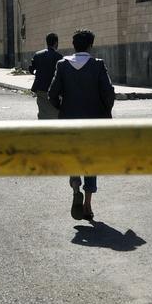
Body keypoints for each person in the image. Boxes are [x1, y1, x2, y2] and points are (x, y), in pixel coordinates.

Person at [48, 29, 115, 221]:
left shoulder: (62, 65)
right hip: (93, 122)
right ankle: (87, 205)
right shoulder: (98, 65)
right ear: (90, 45)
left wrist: (62, 108)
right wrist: (105, 111)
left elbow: (52, 94)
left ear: (73, 45)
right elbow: (108, 92)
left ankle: (75, 183)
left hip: (69, 121)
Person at [28, 32, 62, 119]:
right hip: (54, 89)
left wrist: (37, 73)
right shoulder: (59, 57)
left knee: (42, 111)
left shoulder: (38, 55)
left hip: (40, 88)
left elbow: (31, 69)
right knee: (55, 112)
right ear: (56, 43)